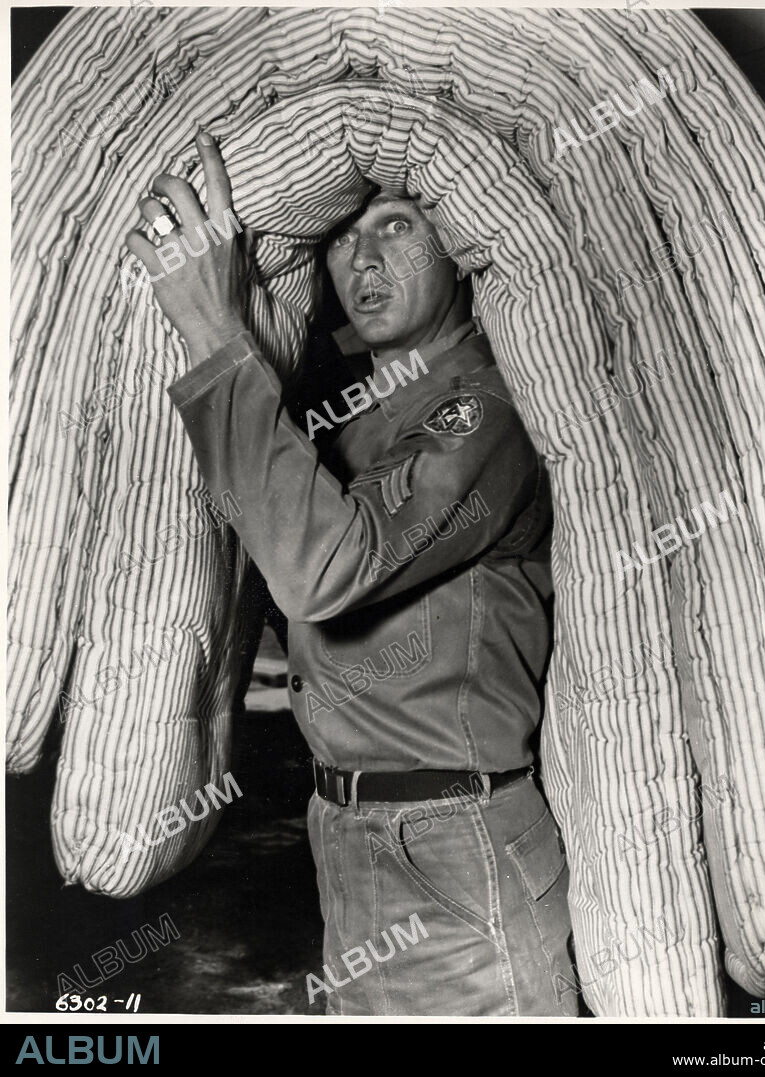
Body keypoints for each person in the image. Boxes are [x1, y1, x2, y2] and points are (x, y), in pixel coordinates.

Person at [125, 129, 578, 1016]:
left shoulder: (481, 412)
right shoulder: (353, 418)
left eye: (397, 226)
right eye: (340, 238)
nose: (361, 258)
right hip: (348, 831)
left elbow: (321, 571)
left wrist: (215, 330)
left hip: (457, 842)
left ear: (455, 245)